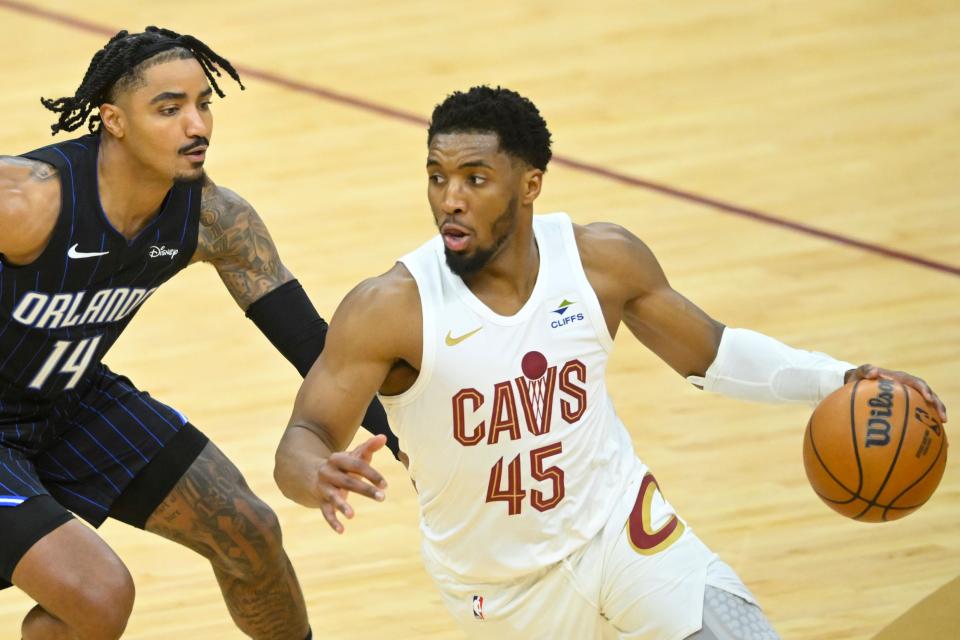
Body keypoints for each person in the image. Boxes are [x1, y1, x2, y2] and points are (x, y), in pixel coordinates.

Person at [273, 86, 948, 639]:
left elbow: (713, 353)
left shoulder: (601, 262)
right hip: (499, 591)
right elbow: (302, 438)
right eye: (437, 177)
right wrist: (316, 476)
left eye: (475, 179)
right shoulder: (391, 307)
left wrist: (840, 378)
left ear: (530, 183)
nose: (450, 197)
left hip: (621, 531)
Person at [0, 26, 397, 640]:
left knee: (248, 531)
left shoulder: (214, 219)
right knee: (99, 594)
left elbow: (312, 345)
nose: (197, 125)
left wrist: (402, 430)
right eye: (169, 108)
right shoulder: (28, 202)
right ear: (113, 120)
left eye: (203, 103)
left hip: (68, 397)